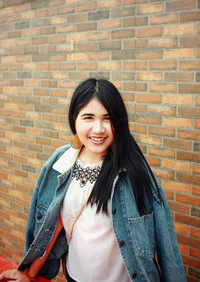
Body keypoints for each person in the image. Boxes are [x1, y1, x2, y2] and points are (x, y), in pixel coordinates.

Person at [0, 78, 186, 282]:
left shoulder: (134, 171)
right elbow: (50, 226)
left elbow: (167, 244)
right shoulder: (59, 163)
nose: (98, 129)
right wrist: (29, 274)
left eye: (108, 118)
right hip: (75, 277)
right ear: (74, 120)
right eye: (88, 117)